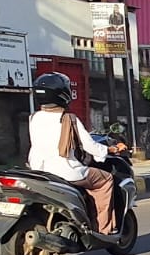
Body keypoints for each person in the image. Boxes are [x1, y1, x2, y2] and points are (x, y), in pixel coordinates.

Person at [26, 72, 126, 234]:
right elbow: (90, 146)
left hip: (39, 170)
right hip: (66, 171)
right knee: (106, 180)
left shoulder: (33, 118)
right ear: (63, 94)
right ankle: (103, 230)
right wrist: (110, 149)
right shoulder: (69, 119)